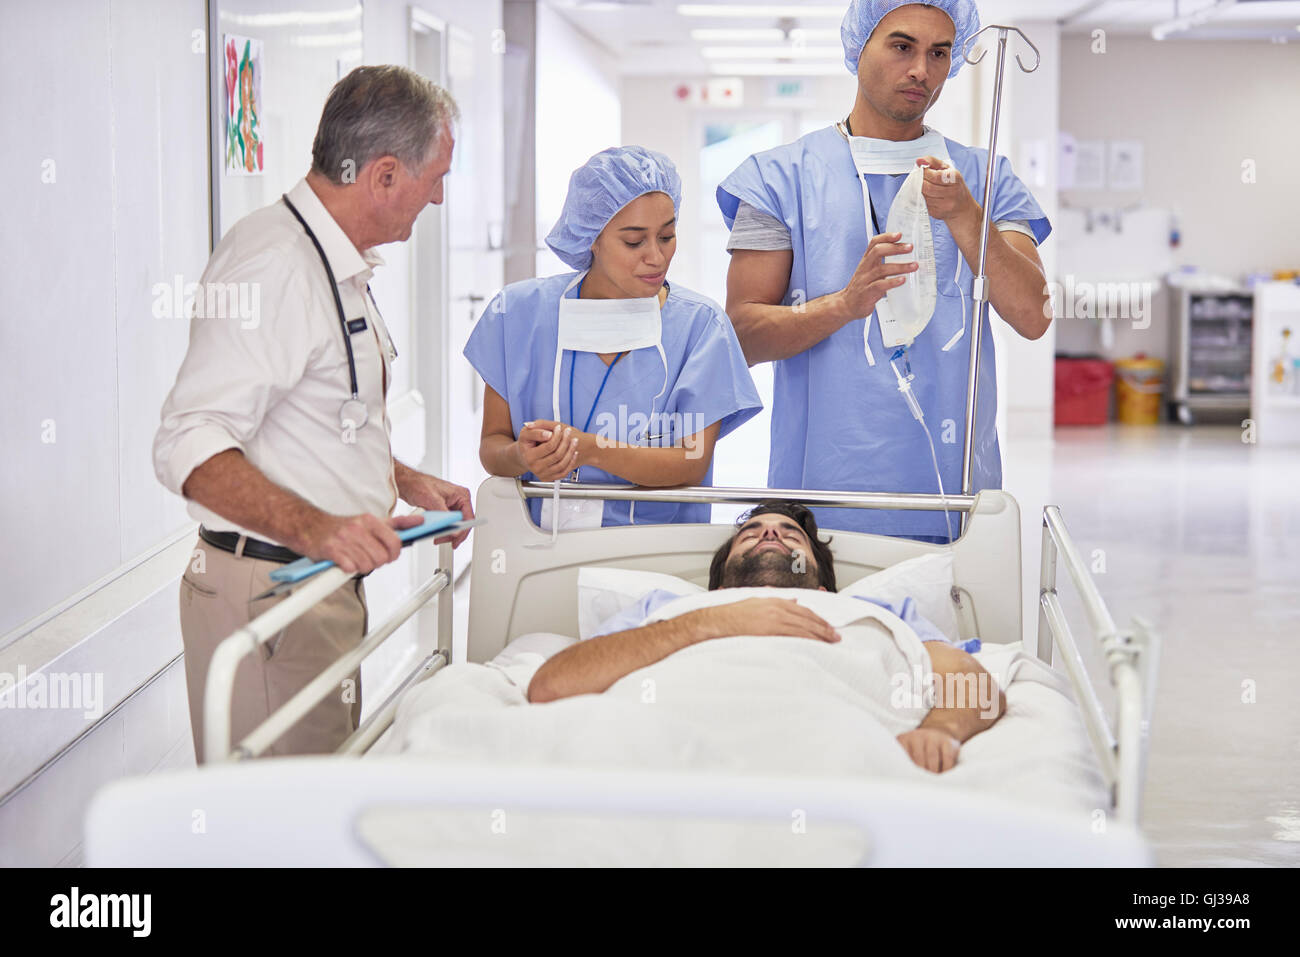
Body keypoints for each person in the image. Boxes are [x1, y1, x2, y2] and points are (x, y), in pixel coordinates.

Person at [153, 66, 474, 761]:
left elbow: (315, 417)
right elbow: (189, 442)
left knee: (311, 805)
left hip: (312, 592)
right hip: (271, 592)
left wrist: (403, 481)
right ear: (384, 175)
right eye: (435, 177)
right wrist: (319, 526)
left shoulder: (332, 263)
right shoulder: (276, 264)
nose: (440, 196)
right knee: (277, 832)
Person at [718, 0, 1052, 543]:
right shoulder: (777, 179)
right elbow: (744, 336)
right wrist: (844, 305)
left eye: (939, 53)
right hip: (821, 503)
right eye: (902, 46)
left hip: (956, 494)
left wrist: (968, 217)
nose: (922, 69)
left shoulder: (986, 179)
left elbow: (1035, 315)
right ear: (858, 49)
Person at [527, 501, 1004, 773]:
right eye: (751, 532)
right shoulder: (669, 610)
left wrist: (938, 733)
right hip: (660, 755)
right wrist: (709, 622)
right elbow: (552, 685)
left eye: (790, 535)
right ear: (716, 586)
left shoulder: (872, 611)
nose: (770, 534)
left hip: (840, 753)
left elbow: (972, 683)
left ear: (821, 585)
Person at [464, 146, 762, 530]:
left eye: (667, 236)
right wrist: (523, 457)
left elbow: (691, 462)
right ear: (591, 237)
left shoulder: (700, 327)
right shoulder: (519, 315)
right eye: (634, 242)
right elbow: (493, 446)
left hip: (655, 555)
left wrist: (590, 450)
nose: (656, 257)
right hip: (538, 550)